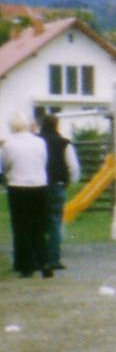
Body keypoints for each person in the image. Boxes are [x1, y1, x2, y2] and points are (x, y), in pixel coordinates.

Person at [1, 113, 51, 277]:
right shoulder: (40, 142)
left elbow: (5, 165)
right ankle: (44, 261)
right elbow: (44, 161)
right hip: (39, 186)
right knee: (39, 226)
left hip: (18, 186)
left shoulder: (9, 144)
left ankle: (25, 265)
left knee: (21, 227)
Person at [38, 112, 79, 272]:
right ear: (57, 125)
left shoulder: (36, 141)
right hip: (57, 184)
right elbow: (73, 166)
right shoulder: (64, 143)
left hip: (38, 185)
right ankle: (53, 258)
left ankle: (39, 257)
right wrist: (70, 181)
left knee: (38, 221)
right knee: (55, 222)